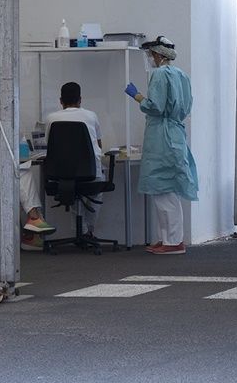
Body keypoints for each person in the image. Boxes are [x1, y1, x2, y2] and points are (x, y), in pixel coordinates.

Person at [124, 36, 198, 255]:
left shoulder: (159, 75)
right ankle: (166, 237)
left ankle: (173, 241)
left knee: (163, 189)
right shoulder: (181, 75)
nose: (150, 58)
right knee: (165, 189)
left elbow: (155, 106)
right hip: (174, 133)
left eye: (151, 54)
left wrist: (137, 96)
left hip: (161, 135)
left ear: (158, 55)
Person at [19, 81, 106, 251]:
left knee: (72, 191)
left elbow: (51, 145)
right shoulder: (91, 116)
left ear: (61, 100)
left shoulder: (52, 118)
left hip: (62, 176)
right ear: (80, 100)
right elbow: (100, 145)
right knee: (95, 191)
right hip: (90, 173)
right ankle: (89, 231)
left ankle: (78, 232)